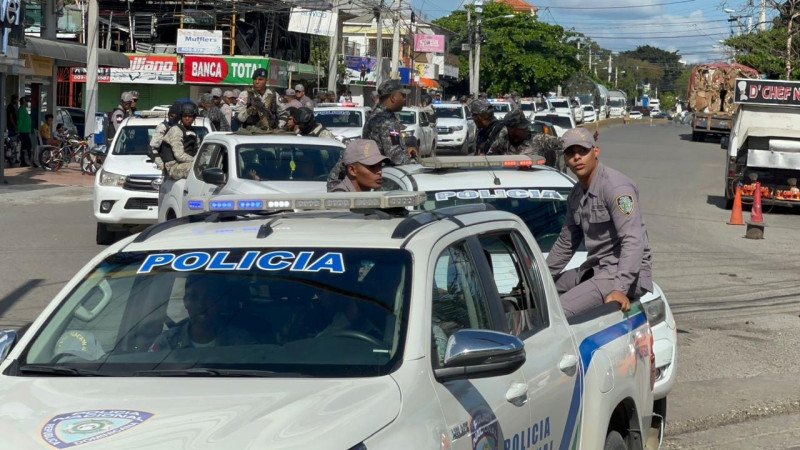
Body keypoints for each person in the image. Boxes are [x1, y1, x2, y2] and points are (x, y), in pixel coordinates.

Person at [545, 128, 653, 317]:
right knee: (540, 295)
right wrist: (541, 277)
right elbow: (566, 243)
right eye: (571, 153)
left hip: (621, 272)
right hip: (596, 269)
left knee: (556, 313)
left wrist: (620, 288)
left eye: (583, 151)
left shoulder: (616, 188)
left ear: (596, 152)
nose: (577, 158)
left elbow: (633, 239)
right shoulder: (576, 194)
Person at [149, 275, 254, 351]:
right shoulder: (167, 342)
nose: (201, 305)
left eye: (209, 297)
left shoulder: (241, 342)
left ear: (223, 302)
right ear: (185, 302)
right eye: (193, 297)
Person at [162, 102, 201, 180]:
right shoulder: (176, 130)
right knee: (199, 170)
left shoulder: (194, 132)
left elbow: (198, 149)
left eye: (190, 116)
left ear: (194, 118)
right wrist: (197, 161)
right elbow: (179, 155)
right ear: (181, 117)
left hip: (185, 164)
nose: (187, 118)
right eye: (184, 116)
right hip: (174, 168)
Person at [235, 68, 278, 133]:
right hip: (251, 133)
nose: (257, 82)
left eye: (260, 79)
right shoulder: (244, 94)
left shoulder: (274, 95)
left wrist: (279, 126)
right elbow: (238, 118)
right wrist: (249, 111)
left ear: (266, 80)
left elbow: (283, 114)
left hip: (270, 134)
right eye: (255, 79)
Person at [149, 101, 182, 171]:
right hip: (168, 165)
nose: (172, 118)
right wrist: (162, 165)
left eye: (174, 116)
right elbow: (152, 148)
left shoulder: (182, 128)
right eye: (170, 115)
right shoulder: (163, 127)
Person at [17, 96, 32, 167]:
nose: (28, 103)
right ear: (24, 101)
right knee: (28, 146)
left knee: (25, 147)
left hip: (25, 131)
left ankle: (24, 161)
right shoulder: (21, 110)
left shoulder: (24, 109)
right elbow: (20, 121)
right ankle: (28, 161)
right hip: (23, 132)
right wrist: (18, 130)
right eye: (27, 101)